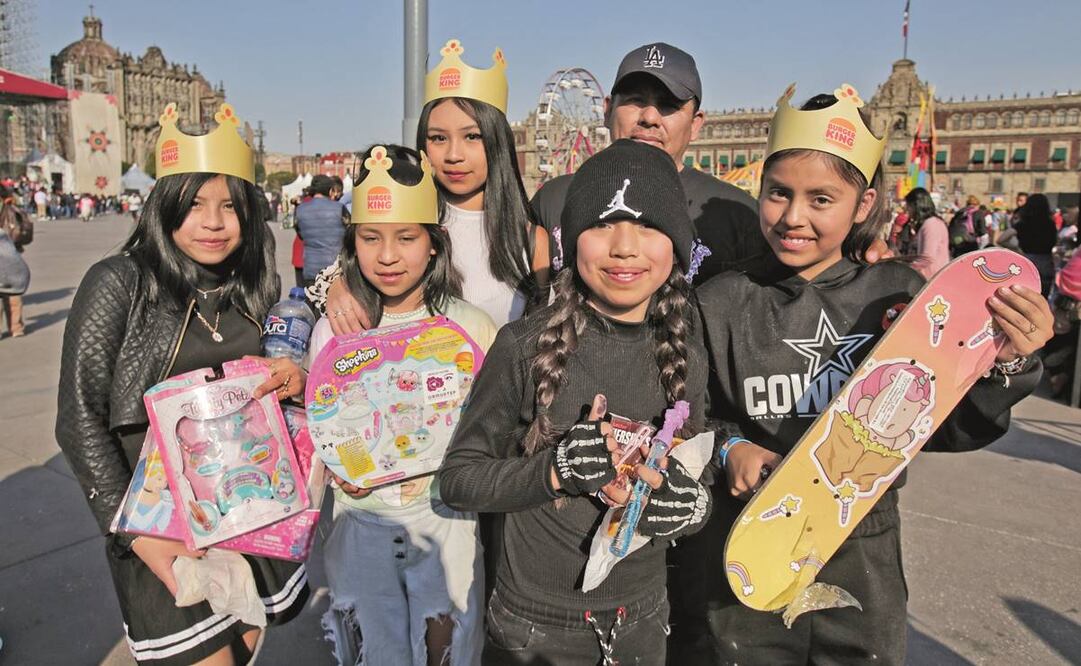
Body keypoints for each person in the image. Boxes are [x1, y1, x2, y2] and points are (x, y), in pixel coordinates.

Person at [678, 83, 1053, 665]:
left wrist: (1007, 361)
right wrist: (729, 448)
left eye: (821, 199)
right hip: (748, 543)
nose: (794, 217)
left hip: (862, 549)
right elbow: (686, 414)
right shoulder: (721, 301)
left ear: (864, 204)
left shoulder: (900, 296)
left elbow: (948, 426)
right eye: (779, 193)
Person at [441, 139, 712, 664]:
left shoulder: (688, 355)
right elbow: (459, 480)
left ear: (678, 245)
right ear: (572, 240)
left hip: (643, 619)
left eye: (649, 227)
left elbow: (699, 473)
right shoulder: (523, 346)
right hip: (534, 626)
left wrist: (693, 506)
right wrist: (554, 470)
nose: (625, 247)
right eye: (603, 224)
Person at [56, 103, 309, 666]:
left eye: (229, 206)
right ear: (164, 206)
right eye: (194, 204)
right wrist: (136, 535)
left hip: (250, 511)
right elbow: (79, 419)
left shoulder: (253, 286)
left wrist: (294, 378)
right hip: (162, 529)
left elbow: (279, 378)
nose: (213, 222)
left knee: (244, 650)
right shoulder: (119, 283)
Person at [311, 144, 495, 666]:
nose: (388, 256)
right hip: (360, 527)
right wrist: (337, 469)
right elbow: (324, 420)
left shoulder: (471, 327)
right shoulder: (335, 329)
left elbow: (493, 426)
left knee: (446, 649)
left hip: (445, 520)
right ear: (352, 244)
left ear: (434, 243)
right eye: (370, 238)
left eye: (407, 238)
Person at [312, 38, 549, 330]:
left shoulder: (530, 240)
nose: (453, 155)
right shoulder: (404, 220)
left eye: (472, 137)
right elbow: (349, 269)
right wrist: (339, 287)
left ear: (497, 140)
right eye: (438, 138)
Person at [530, 42, 766, 284]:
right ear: (607, 111)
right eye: (636, 100)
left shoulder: (740, 216)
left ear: (695, 124)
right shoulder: (553, 201)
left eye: (668, 105)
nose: (650, 117)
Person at [295, 174, 346, 288]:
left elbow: (300, 234)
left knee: (312, 298)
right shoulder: (340, 208)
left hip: (311, 269)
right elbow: (350, 233)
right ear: (330, 190)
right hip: (335, 269)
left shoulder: (300, 209)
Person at [1014, 193, 1058, 295]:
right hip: (1045, 260)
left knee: (1025, 293)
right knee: (1044, 294)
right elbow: (1053, 242)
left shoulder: (1022, 223)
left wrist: (1016, 248)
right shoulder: (1050, 223)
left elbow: (1003, 238)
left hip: (1027, 259)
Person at [0, 187, 29, 337]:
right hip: (12, 251)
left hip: (6, 250)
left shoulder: (9, 208)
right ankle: (16, 327)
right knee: (13, 292)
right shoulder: (12, 207)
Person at [904, 186, 949, 277]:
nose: (907, 209)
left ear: (916, 205)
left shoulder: (931, 224)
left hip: (932, 277)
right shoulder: (930, 223)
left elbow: (927, 257)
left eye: (908, 206)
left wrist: (907, 270)